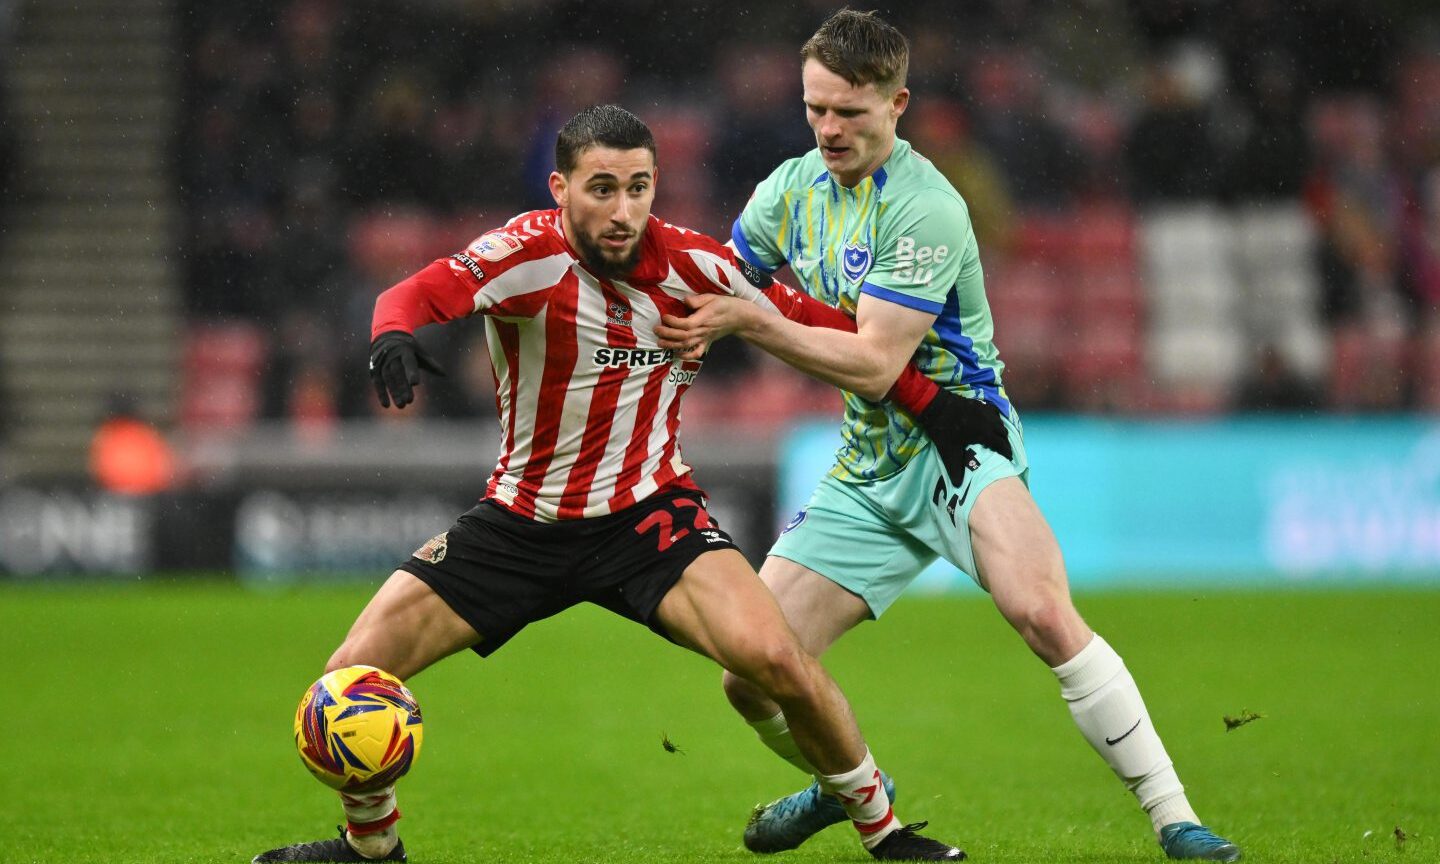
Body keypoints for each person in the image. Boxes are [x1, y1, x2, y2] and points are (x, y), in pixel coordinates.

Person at [252, 105, 968, 863]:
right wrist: (392, 335)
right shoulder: (526, 254)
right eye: (601, 189)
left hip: (649, 519)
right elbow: (414, 294)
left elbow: (839, 336)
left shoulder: (703, 268)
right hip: (520, 522)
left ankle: (885, 834)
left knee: (780, 662)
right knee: (347, 682)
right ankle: (373, 850)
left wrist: (936, 408)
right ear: (560, 188)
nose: (623, 210)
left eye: (638, 187)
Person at [654, 11, 1242, 863]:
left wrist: (749, 322)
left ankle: (1175, 817)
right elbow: (719, 278)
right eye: (816, 108)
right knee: (748, 677)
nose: (828, 129)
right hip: (867, 467)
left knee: (1041, 612)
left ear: (897, 104)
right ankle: (845, 785)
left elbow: (872, 363)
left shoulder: (928, 208)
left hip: (961, 447)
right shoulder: (788, 190)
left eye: (849, 113)